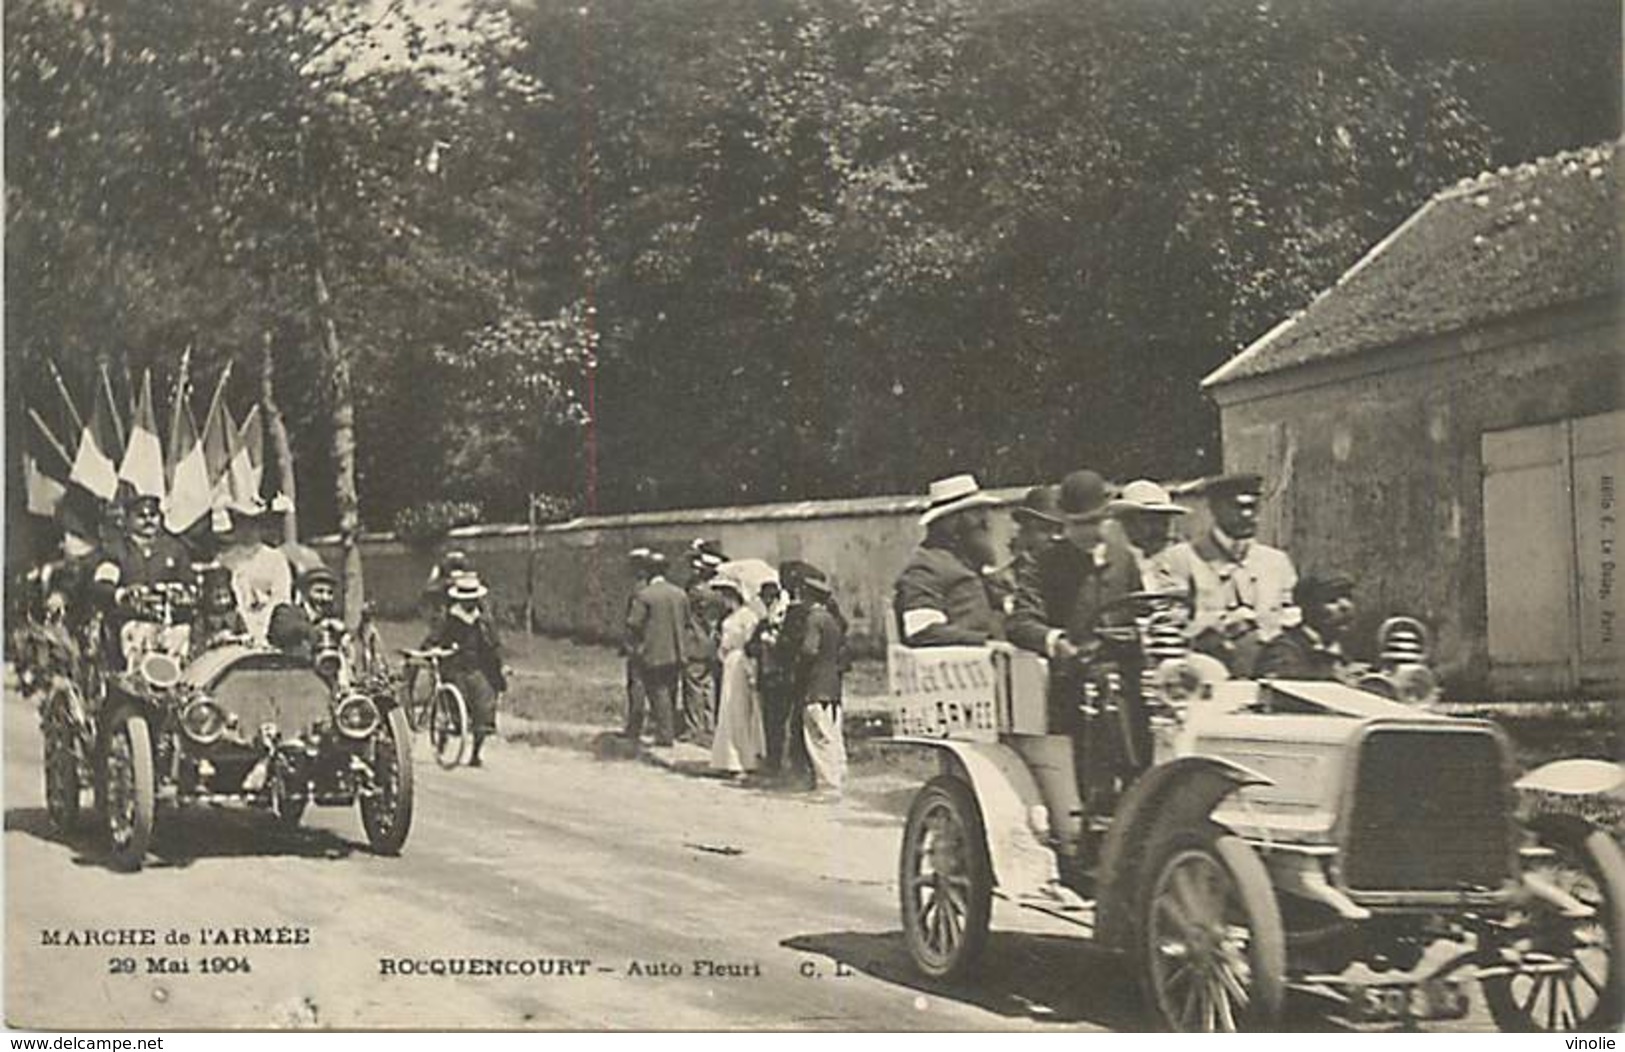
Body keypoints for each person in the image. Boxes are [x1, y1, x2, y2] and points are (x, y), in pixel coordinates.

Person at [1007, 470, 1145, 810]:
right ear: (1064, 522)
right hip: (1073, 680)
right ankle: (1089, 815)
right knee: (1089, 751)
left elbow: (1141, 609)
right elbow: (1021, 622)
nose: (1087, 532)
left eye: (1094, 522)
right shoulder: (1046, 564)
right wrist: (1055, 641)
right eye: (1077, 524)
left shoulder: (1124, 559)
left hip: (1126, 676)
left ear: (1107, 518)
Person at [1152, 473, 1299, 678]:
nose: (1249, 515)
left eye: (1254, 507)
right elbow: (1169, 629)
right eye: (1239, 507)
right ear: (1215, 508)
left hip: (1270, 679)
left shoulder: (1276, 563)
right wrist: (1223, 626)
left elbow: (1289, 619)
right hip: (1204, 681)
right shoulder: (1180, 560)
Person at [894, 474, 1005, 646]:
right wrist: (985, 642)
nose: (987, 524)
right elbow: (923, 630)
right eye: (977, 517)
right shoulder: (924, 568)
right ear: (952, 523)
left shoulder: (970, 564)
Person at [88, 493, 196, 669]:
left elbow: (190, 583)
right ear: (128, 519)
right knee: (139, 637)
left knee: (181, 635)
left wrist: (180, 592)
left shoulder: (175, 549)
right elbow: (102, 585)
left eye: (153, 515)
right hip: (131, 623)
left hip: (170, 622)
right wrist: (122, 594)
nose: (148, 521)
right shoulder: (117, 551)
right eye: (141, 516)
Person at [422, 573, 506, 767]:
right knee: (457, 702)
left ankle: (476, 752)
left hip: (478, 668)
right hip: (455, 667)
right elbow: (434, 639)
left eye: (473, 598)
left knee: (485, 704)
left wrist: (499, 666)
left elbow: (493, 645)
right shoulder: (450, 617)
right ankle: (448, 730)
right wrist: (436, 649)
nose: (470, 602)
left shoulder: (483, 619)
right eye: (466, 598)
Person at [625, 551, 688, 748]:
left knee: (655, 691)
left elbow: (634, 623)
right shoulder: (680, 594)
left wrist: (634, 646)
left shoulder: (645, 595)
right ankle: (667, 729)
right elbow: (686, 621)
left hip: (652, 651)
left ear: (648, 572)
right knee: (670, 690)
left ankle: (663, 734)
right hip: (677, 650)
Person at [708, 576, 766, 778]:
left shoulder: (747, 616)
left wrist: (751, 669)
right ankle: (729, 758)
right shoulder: (730, 617)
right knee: (729, 707)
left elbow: (751, 642)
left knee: (740, 709)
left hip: (741, 661)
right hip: (730, 662)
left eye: (726, 595)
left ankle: (745, 759)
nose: (724, 600)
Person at [797, 569, 847, 799]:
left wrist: (796, 658)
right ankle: (838, 776)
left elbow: (809, 649)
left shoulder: (814, 619)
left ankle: (828, 786)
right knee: (832, 733)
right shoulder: (833, 620)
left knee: (819, 735)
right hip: (833, 684)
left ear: (808, 596)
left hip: (816, 683)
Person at [218, 500, 293, 647]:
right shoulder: (226, 559)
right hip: (235, 630)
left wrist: (263, 628)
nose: (246, 529)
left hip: (269, 627)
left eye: (252, 523)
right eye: (241, 522)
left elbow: (281, 598)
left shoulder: (275, 558)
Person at [1258, 572, 1357, 682]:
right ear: (1308, 607)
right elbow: (1284, 688)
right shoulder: (1283, 650)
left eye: (1349, 598)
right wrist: (1334, 677)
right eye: (1331, 600)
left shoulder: (1341, 651)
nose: (1346, 607)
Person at [1105, 479, 1188, 589]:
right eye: (1149, 521)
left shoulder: (1182, 561)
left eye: (1164, 521)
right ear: (1127, 523)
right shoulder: (1113, 566)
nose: (1158, 529)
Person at [620, 548, 653, 742]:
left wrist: (629, 643)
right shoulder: (649, 586)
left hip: (639, 646)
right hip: (652, 645)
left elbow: (634, 621)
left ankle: (635, 727)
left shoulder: (639, 590)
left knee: (637, 686)